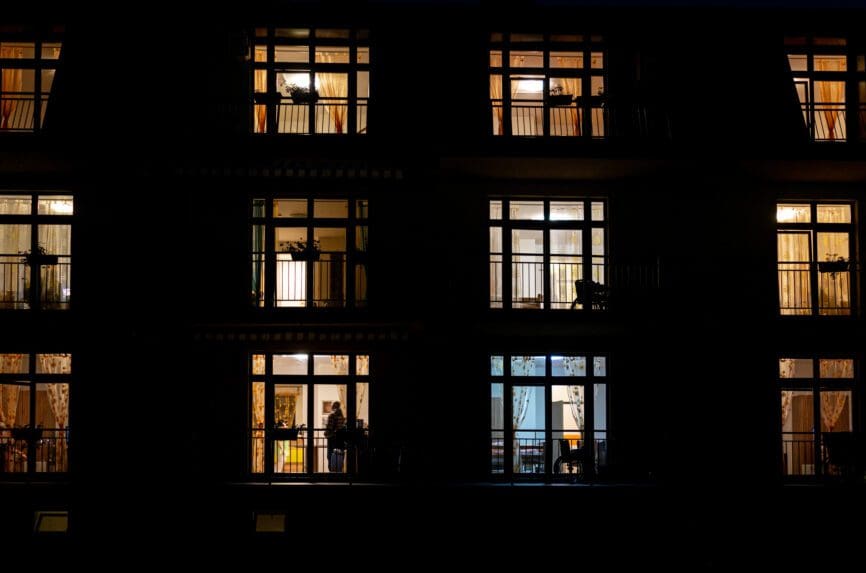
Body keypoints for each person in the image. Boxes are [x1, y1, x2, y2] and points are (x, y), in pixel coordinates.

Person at [325, 401, 346, 472]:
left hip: (332, 438)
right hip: (340, 439)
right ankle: (339, 471)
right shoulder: (342, 416)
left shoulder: (332, 415)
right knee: (340, 455)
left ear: (333, 406)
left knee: (330, 455)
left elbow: (329, 427)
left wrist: (326, 434)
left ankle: (332, 472)